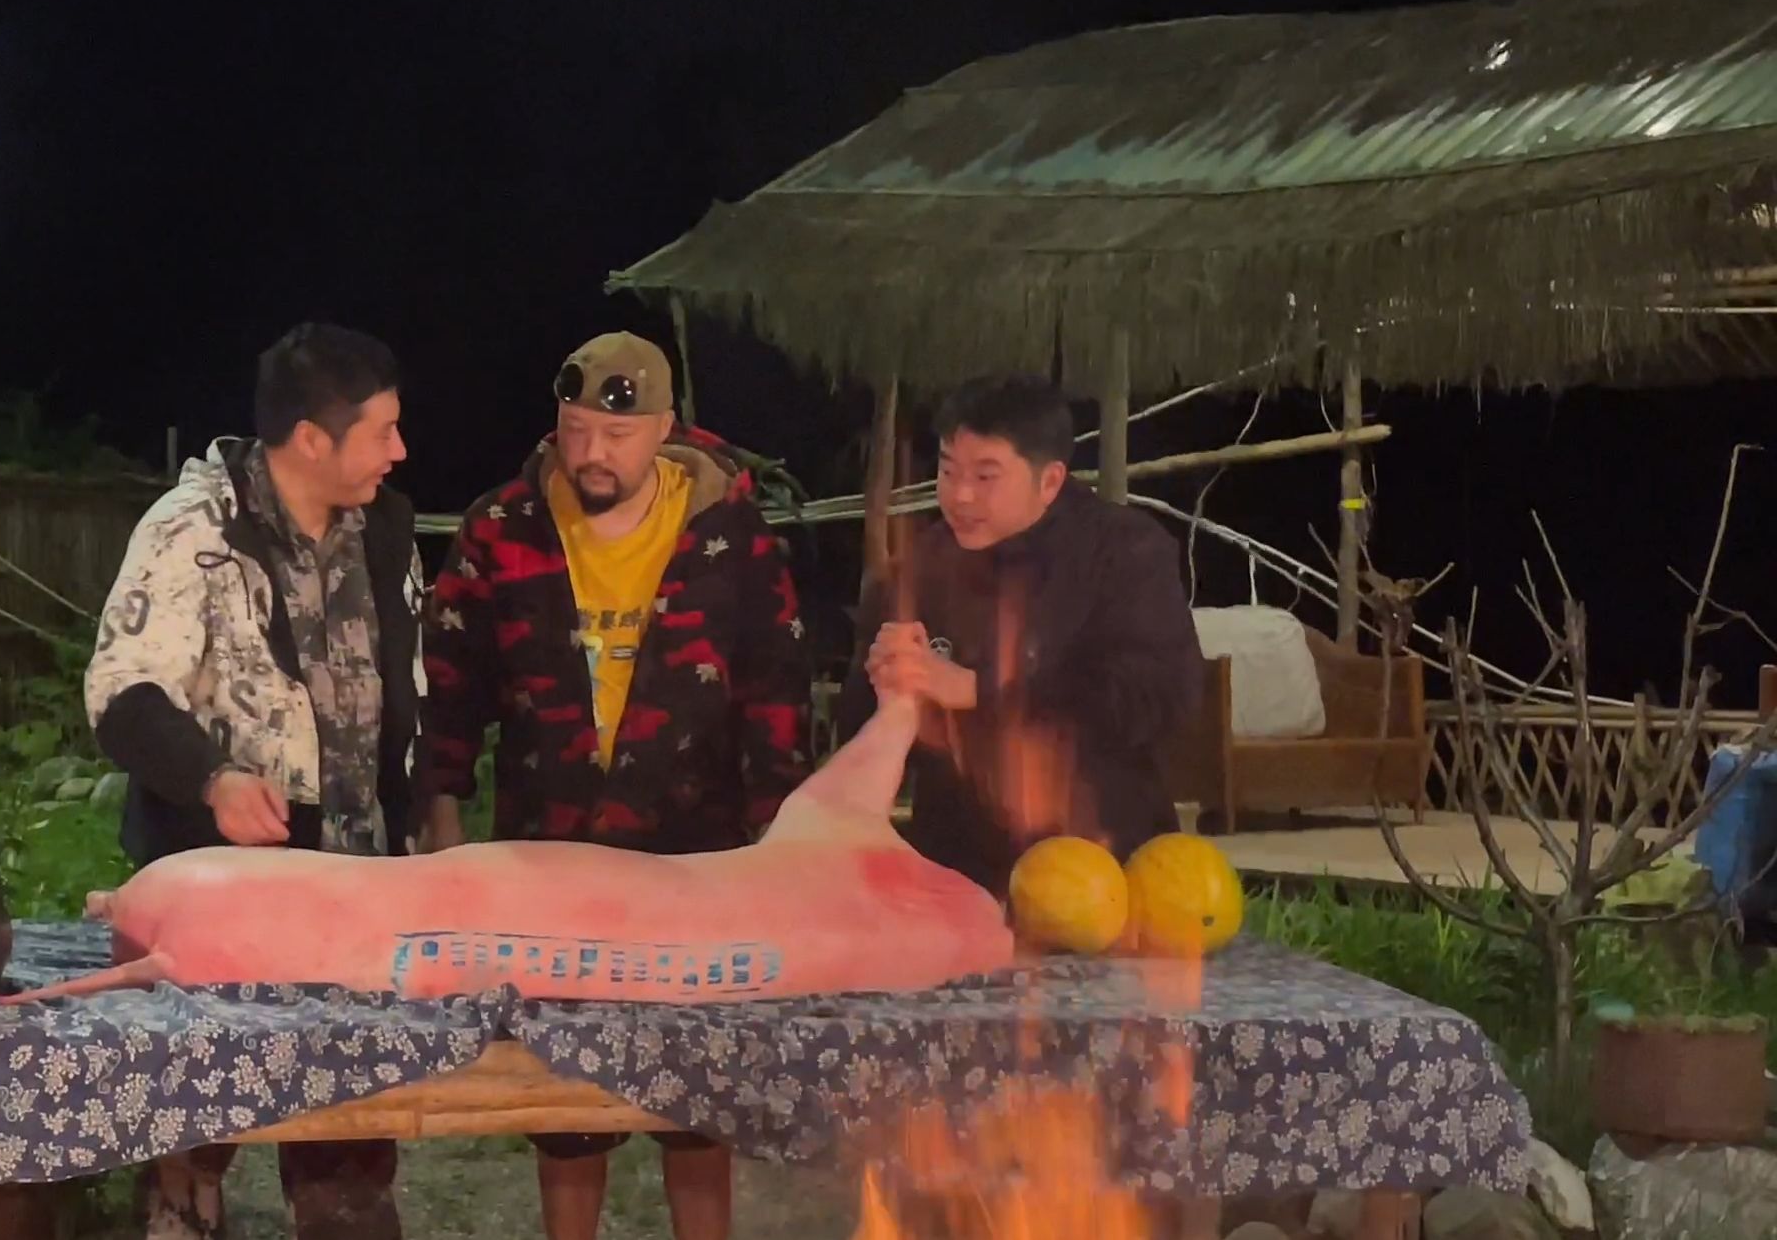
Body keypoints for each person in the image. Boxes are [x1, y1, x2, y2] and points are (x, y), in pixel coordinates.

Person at [415, 330, 812, 1240]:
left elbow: (776, 690)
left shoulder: (729, 533)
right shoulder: (501, 528)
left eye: (617, 436)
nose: (592, 453)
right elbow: (448, 684)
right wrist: (441, 817)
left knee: (699, 1103)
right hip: (549, 855)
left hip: (695, 857)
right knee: (565, 1109)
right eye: (575, 430)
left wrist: (782, 843)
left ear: (665, 431)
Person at [85, 321, 424, 1240]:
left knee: (350, 1145)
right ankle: (184, 1195)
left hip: (357, 891)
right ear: (312, 439)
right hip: (225, 893)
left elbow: (405, 687)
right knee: (202, 1115)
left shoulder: (386, 527)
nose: (400, 450)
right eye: (383, 431)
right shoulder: (193, 530)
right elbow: (121, 693)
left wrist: (424, 806)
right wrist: (215, 780)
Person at [836, 372, 1205, 898]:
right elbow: (861, 738)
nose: (960, 495)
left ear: (1049, 481)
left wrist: (980, 691)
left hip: (1102, 865)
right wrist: (883, 688)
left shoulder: (1123, 553)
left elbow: (1159, 695)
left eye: (986, 476)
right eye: (948, 470)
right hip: (957, 873)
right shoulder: (920, 568)